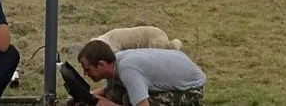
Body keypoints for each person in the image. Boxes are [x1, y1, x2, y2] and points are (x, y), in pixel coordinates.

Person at [73, 40, 206, 106]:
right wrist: (83, 96)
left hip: (191, 88)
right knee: (114, 93)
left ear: (101, 64)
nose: (86, 74)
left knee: (128, 100)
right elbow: (107, 90)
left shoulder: (127, 70)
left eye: (88, 69)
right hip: (180, 68)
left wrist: (110, 105)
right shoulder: (114, 64)